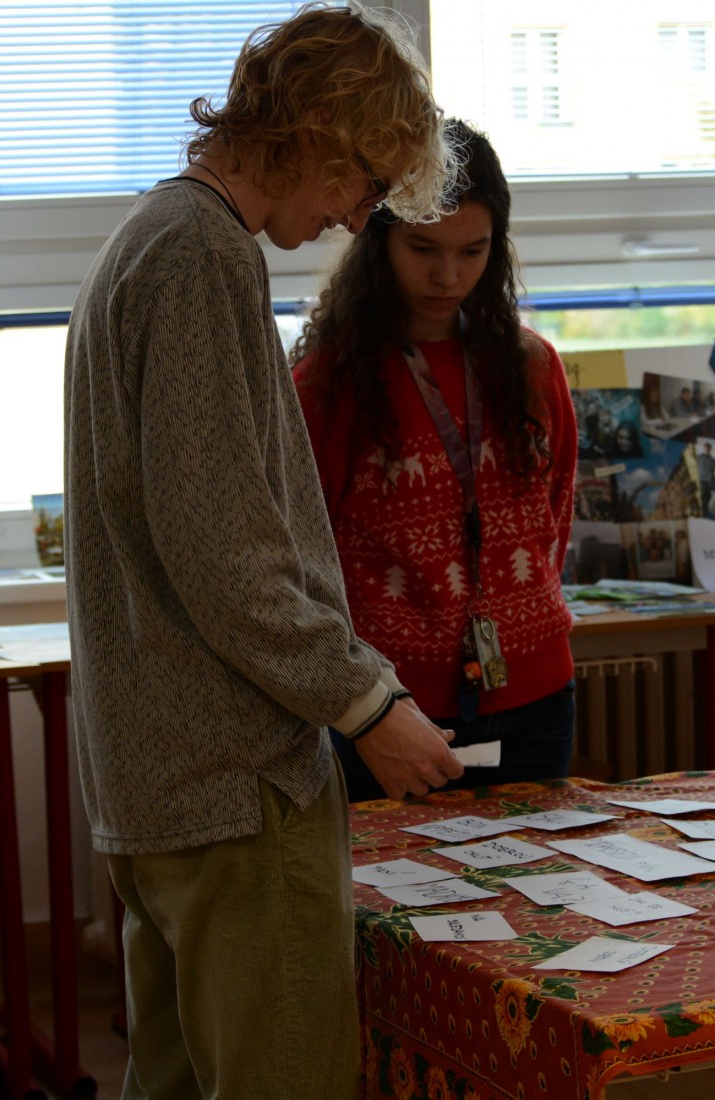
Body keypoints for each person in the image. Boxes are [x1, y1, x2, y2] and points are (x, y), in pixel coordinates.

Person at [62, 6, 459, 1096]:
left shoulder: (153, 236)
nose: (358, 216)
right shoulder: (198, 254)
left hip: (160, 779)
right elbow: (226, 554)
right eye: (365, 182)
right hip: (233, 781)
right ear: (316, 132)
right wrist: (367, 705)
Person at [292, 119, 579, 801]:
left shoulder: (532, 365)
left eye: (473, 251)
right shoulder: (327, 383)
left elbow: (556, 513)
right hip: (390, 713)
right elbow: (303, 559)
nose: (448, 276)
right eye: (423, 248)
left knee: (541, 867)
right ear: (378, 240)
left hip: (536, 695)